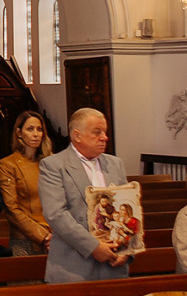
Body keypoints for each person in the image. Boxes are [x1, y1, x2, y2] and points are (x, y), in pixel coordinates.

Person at [39, 108, 130, 284]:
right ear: (77, 135)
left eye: (105, 132)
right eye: (97, 132)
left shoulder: (115, 164)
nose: (104, 137)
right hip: (74, 268)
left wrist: (127, 250)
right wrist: (93, 247)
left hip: (114, 266)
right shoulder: (54, 166)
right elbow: (56, 214)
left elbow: (126, 208)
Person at [0, 110, 53, 256]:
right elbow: (11, 208)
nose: (35, 134)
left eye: (39, 129)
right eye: (30, 129)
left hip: (55, 236)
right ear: (19, 132)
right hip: (25, 239)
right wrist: (43, 236)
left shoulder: (50, 163)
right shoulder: (8, 164)